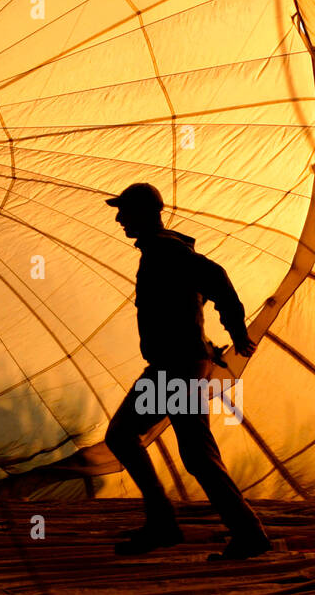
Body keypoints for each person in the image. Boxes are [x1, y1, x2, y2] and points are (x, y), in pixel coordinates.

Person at [103, 182, 271, 560]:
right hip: (184, 366)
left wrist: (237, 329)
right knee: (197, 455)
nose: (118, 218)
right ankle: (247, 533)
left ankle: (164, 522)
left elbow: (217, 277)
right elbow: (209, 284)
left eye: (124, 211)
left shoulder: (165, 249)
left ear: (144, 213)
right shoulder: (160, 250)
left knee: (122, 434)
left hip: (175, 369)